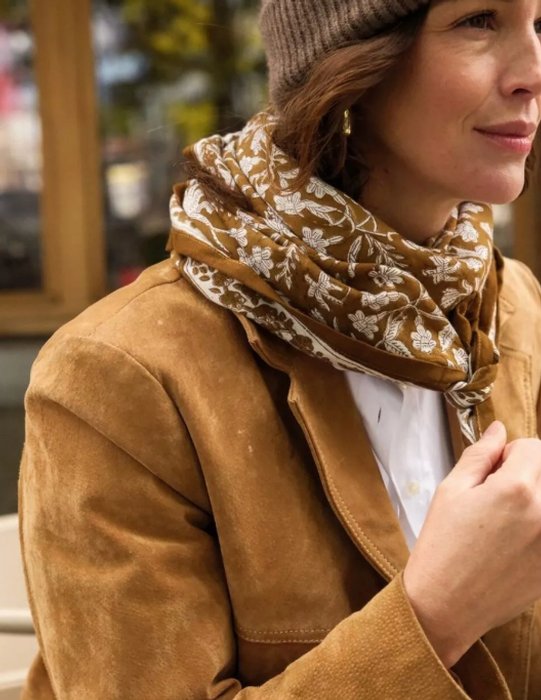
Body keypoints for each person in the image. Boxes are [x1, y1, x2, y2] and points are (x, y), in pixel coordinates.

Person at [18, 0, 541, 697]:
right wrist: (437, 614)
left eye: (540, 24)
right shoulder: (120, 375)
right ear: (350, 64)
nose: (532, 72)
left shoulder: (514, 309)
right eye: (478, 20)